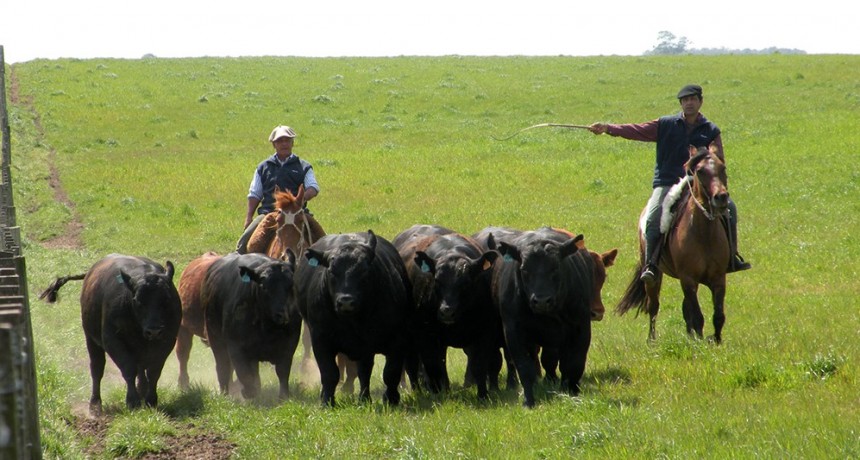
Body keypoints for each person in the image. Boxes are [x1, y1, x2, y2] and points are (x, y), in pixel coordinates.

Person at [588, 84, 751, 284]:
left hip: (698, 182)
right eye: (685, 100)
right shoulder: (665, 124)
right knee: (654, 215)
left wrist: (708, 161)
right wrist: (608, 128)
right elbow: (636, 130)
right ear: (681, 104)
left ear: (700, 102)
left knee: (730, 208)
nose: (689, 103)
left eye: (693, 99)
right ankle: (651, 264)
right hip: (667, 182)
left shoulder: (710, 129)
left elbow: (717, 156)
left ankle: (732, 257)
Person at [236, 125, 322, 254]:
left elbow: (313, 187)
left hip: (298, 213)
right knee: (244, 244)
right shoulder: (263, 167)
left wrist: (301, 198)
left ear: (292, 143)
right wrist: (249, 217)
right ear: (273, 144)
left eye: (287, 140)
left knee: (324, 243)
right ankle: (240, 269)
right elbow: (255, 194)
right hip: (269, 213)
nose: (284, 144)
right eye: (280, 141)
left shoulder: (304, 166)